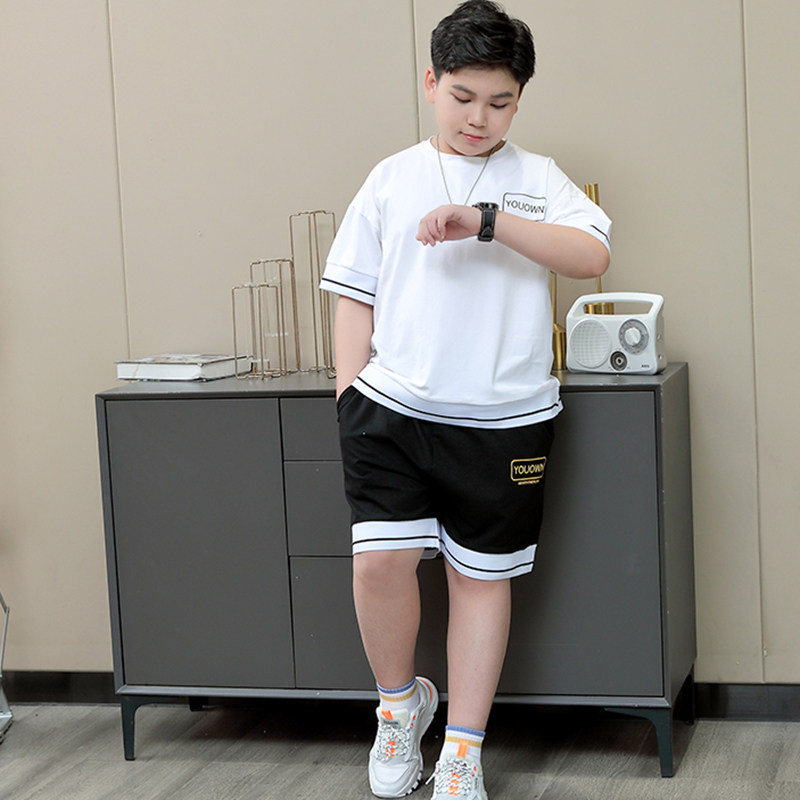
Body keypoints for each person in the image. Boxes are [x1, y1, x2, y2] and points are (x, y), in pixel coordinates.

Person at [320, 2, 611, 797]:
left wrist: (488, 221)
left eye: (499, 101)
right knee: (380, 563)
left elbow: (591, 254)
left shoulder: (537, 179)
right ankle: (398, 709)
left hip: (504, 422)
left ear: (518, 101)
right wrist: (348, 400)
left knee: (479, 579)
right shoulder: (391, 177)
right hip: (392, 411)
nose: (479, 117)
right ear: (430, 83)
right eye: (462, 97)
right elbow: (353, 295)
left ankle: (463, 752)